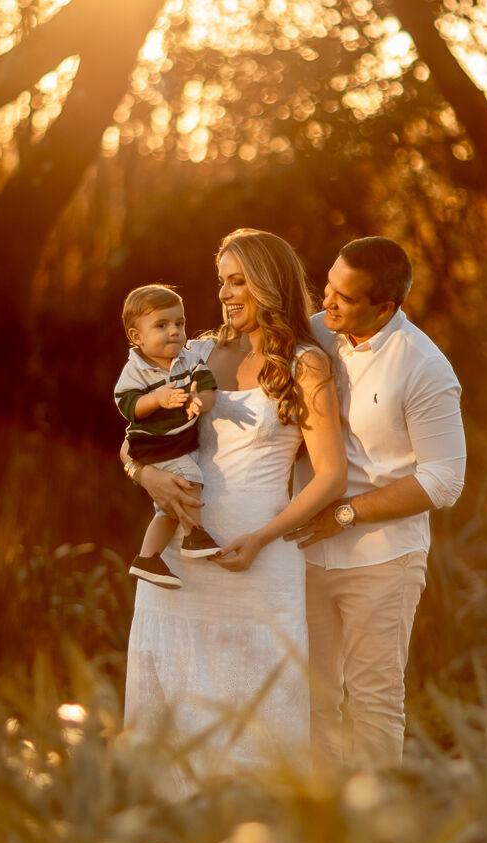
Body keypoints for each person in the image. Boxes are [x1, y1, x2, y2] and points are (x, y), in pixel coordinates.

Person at [121, 229, 346, 797]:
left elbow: (332, 476)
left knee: (256, 704)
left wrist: (264, 538)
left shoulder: (304, 362)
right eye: (221, 280)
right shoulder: (193, 352)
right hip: (179, 554)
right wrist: (147, 475)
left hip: (259, 560)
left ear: (269, 284)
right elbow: (133, 439)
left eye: (238, 280)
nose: (224, 293)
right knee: (172, 699)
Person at [285, 237, 466, 769]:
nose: (327, 304)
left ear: (385, 308)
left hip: (382, 560)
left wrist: (345, 514)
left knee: (374, 702)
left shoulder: (424, 367)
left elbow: (444, 481)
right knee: (311, 699)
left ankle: (377, 830)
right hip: (305, 553)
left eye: (345, 297)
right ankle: (323, 825)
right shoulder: (317, 332)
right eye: (328, 287)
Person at [115, 284, 221, 588]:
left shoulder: (189, 361)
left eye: (179, 323)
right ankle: (194, 536)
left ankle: (148, 558)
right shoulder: (135, 370)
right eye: (162, 325)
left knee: (167, 509)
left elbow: (207, 388)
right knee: (190, 480)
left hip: (178, 444)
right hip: (154, 446)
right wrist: (157, 399)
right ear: (137, 337)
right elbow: (128, 406)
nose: (174, 331)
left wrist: (199, 401)